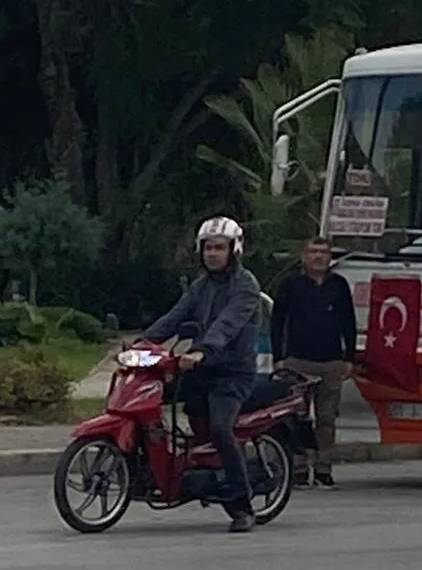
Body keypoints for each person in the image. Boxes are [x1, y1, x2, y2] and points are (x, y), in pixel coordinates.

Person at [140, 215, 262, 533]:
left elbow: (227, 325)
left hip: (232, 374)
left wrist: (202, 351)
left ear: (234, 250)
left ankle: (242, 505)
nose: (212, 254)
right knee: (146, 399)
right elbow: (175, 317)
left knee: (222, 430)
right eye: (208, 248)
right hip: (198, 369)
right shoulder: (201, 286)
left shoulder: (246, 286)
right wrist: (142, 343)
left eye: (219, 248)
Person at [270, 236, 357, 490]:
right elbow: (277, 322)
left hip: (331, 362)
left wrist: (349, 358)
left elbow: (348, 323)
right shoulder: (290, 285)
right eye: (313, 252)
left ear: (331, 258)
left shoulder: (339, 286)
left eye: (323, 252)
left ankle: (323, 469)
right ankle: (298, 468)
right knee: (296, 417)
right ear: (304, 256)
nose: (318, 257)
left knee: (327, 418)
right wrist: (278, 358)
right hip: (297, 361)